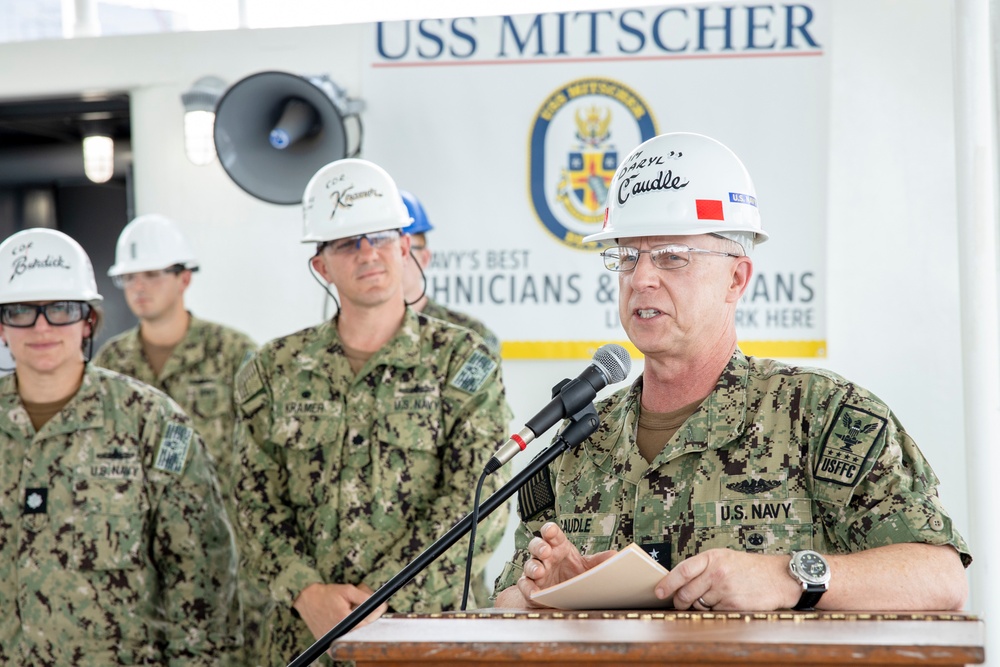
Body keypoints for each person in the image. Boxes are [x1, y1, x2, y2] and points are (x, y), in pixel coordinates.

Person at [494, 132, 970, 613]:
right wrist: (546, 592)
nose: (640, 278)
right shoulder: (577, 442)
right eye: (627, 257)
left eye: (672, 257)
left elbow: (939, 577)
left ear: (736, 278)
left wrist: (790, 578)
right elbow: (506, 600)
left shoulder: (822, 415)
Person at [233, 158, 512, 665]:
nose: (368, 253)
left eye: (380, 236)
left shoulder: (463, 362)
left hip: (428, 634)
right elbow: (252, 505)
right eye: (346, 243)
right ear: (321, 266)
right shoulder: (273, 371)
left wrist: (386, 596)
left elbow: (481, 497)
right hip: (305, 641)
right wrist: (306, 593)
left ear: (405, 247)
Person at [0, 228, 241, 664]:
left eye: (61, 309)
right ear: (1, 327)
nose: (41, 327)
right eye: (19, 312)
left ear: (88, 320)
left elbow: (201, 575)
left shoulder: (151, 421)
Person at [91, 214, 259, 659]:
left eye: (151, 274)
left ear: (184, 278)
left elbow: (262, 455)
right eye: (129, 277)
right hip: (135, 552)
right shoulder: (112, 362)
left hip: (222, 553)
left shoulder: (231, 352)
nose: (138, 287)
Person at [400, 190, 502, 356]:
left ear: (424, 258)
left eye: (403, 250)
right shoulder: (355, 333)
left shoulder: (470, 336)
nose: (395, 261)